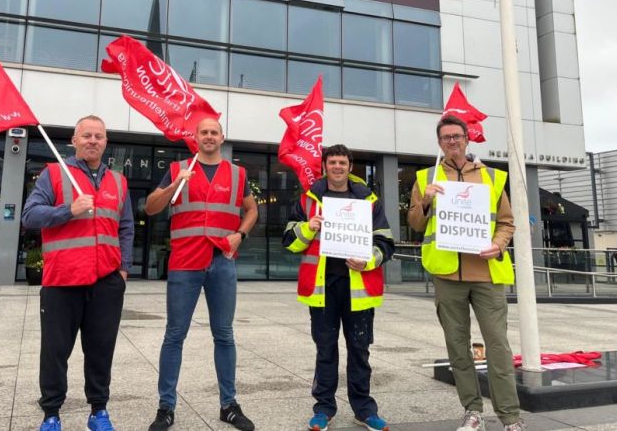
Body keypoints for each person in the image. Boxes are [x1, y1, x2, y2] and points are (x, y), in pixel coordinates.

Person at [407, 115, 526, 431]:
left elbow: (507, 222)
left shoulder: (491, 176)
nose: (452, 142)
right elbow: (415, 224)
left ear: (467, 139)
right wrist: (426, 202)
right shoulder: (425, 178)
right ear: (439, 142)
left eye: (456, 136)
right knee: (458, 349)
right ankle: (473, 412)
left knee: (498, 347)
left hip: (486, 273)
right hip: (447, 276)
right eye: (445, 137)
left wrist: (499, 246)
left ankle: (510, 417)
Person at [144, 118, 259, 431]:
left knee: (224, 334)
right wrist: (173, 185)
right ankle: (166, 407)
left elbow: (252, 210)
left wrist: (241, 235)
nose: (209, 136)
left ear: (222, 137)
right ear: (194, 138)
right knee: (174, 335)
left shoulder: (238, 174)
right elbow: (151, 208)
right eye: (203, 132)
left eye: (213, 132)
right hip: (184, 261)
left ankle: (229, 405)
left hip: (222, 261)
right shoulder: (177, 169)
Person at [22, 115, 134, 431]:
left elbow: (126, 226)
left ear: (106, 143)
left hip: (106, 282)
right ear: (74, 140)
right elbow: (30, 215)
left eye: (99, 136)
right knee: (55, 352)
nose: (93, 141)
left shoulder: (118, 181)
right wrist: (67, 211)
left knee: (101, 351)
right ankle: (51, 414)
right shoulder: (54, 173)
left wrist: (123, 269)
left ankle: (99, 411)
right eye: (86, 135)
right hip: (63, 281)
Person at [284, 144, 395, 431]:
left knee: (360, 350)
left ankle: (364, 410)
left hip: (358, 287)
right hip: (322, 288)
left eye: (342, 162)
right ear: (325, 166)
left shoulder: (369, 201)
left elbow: (385, 241)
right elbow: (289, 241)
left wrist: (369, 259)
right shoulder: (308, 202)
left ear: (350, 166)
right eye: (332, 162)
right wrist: (309, 227)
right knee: (325, 349)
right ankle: (323, 408)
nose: (337, 166)